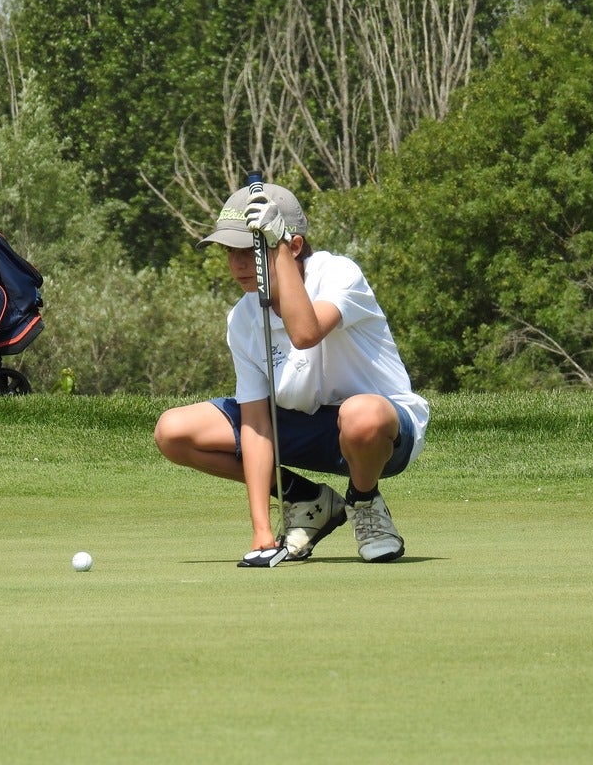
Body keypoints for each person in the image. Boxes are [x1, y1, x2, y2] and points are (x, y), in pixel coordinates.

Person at [154, 182, 429, 563]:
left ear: (294, 246)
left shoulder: (338, 274)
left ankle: (364, 502)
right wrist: (261, 530)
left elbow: (305, 333)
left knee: (361, 415)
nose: (238, 264)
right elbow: (256, 424)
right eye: (230, 252)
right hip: (303, 427)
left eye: (251, 250)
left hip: (383, 434)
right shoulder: (243, 318)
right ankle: (306, 500)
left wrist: (278, 246)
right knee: (173, 432)